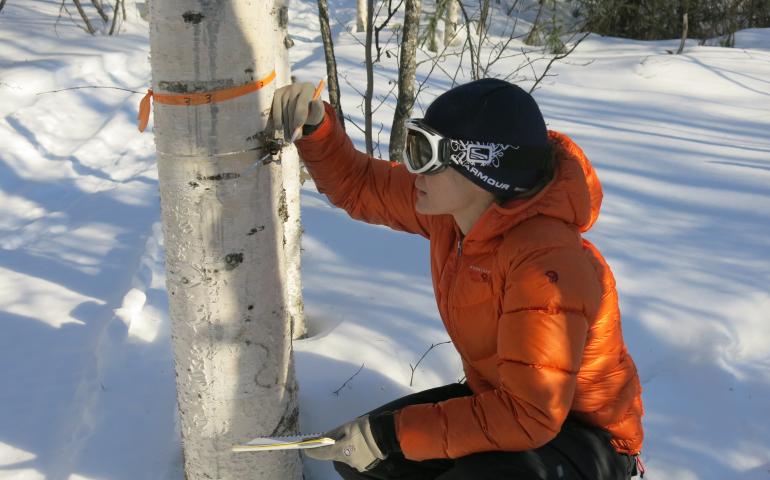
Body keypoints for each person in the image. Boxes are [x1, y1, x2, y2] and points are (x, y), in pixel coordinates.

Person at [270, 78, 645, 479]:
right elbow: (362, 186)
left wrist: (391, 435)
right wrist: (314, 126)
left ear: (483, 168)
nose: (414, 168)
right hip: (506, 403)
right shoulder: (453, 215)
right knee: (364, 459)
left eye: (425, 153)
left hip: (586, 440)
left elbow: (533, 413)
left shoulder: (546, 265)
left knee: (386, 444)